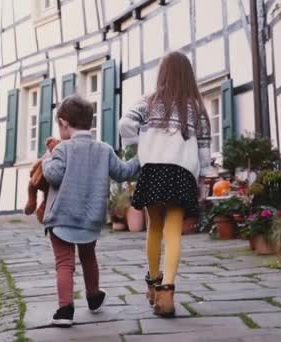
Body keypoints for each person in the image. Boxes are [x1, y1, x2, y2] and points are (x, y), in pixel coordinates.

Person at [118, 51, 211, 317]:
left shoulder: (148, 101)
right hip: (181, 173)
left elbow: (125, 123)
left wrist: (141, 142)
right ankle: (168, 290)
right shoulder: (197, 109)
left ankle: (153, 282)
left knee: (154, 227)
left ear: (163, 74)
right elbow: (204, 150)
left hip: (153, 170)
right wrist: (202, 180)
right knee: (173, 231)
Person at [43, 95, 140, 327]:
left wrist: (47, 159)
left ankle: (65, 309)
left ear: (64, 123)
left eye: (60, 125)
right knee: (88, 257)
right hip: (90, 219)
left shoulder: (62, 149)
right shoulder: (104, 150)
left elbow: (53, 175)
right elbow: (125, 172)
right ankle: (94, 296)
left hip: (63, 218)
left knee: (64, 263)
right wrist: (142, 157)